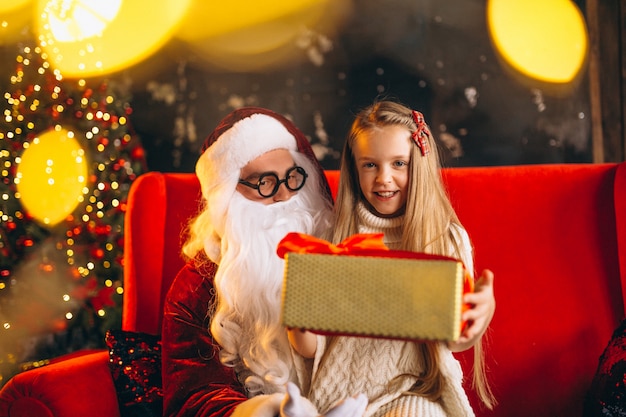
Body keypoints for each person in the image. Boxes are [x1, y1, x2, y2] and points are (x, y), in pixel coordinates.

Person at [288, 100, 496, 417]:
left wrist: (478, 317)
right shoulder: (333, 236)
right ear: (354, 168)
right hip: (339, 393)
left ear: (420, 164)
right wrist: (299, 319)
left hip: (413, 391)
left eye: (399, 164)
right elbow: (310, 348)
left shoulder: (445, 238)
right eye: (370, 165)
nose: (384, 178)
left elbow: (455, 341)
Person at [161, 107, 367, 417]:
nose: (285, 194)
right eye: (265, 183)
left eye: (292, 177)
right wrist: (262, 411)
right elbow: (194, 396)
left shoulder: (342, 244)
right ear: (229, 196)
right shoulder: (199, 284)